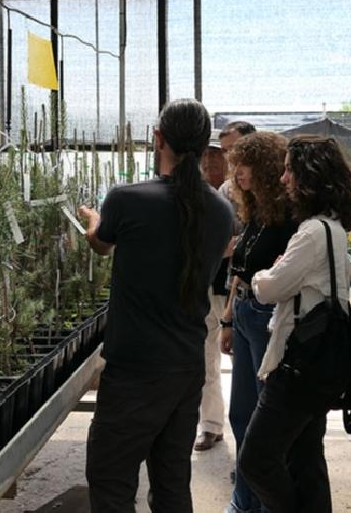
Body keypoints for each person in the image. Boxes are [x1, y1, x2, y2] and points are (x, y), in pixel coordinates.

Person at [78, 98, 233, 513]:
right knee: (171, 482)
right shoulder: (221, 210)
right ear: (205, 149)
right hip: (185, 366)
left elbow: (100, 245)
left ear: (157, 139)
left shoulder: (127, 200)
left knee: (111, 480)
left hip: (135, 368)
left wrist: (93, 219)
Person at [238, 135, 351, 512]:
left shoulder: (310, 233)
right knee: (305, 459)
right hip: (318, 364)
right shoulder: (332, 227)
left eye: (290, 170)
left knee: (256, 460)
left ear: (309, 176)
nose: (283, 179)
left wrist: (261, 275)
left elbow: (269, 288)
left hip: (297, 365)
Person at [219, 131, 297, 513]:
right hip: (247, 315)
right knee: (241, 413)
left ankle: (264, 503)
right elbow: (239, 269)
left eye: (242, 166)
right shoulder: (253, 212)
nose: (237, 175)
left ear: (265, 167)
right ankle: (244, 501)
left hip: (270, 320)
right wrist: (228, 319)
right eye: (234, 167)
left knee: (266, 419)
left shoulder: (289, 217)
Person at [194, 121, 256, 453]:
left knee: (251, 364)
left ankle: (253, 435)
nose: (227, 159)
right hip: (221, 282)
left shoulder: (270, 187)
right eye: (224, 152)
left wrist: (240, 243)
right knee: (207, 354)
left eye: (232, 150)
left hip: (254, 289)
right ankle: (211, 425)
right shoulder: (225, 191)